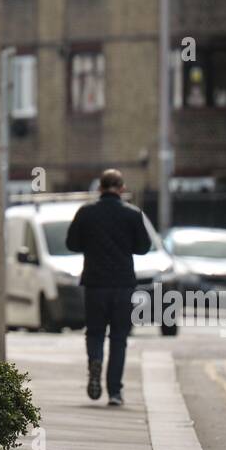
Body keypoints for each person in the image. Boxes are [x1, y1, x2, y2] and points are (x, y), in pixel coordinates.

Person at [65, 168, 152, 407]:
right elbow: (144, 247)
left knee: (94, 333)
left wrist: (91, 243)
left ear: (100, 188)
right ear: (122, 189)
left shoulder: (86, 212)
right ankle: (115, 392)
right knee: (119, 337)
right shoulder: (133, 215)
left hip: (94, 283)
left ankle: (95, 360)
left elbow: (71, 243)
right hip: (123, 284)